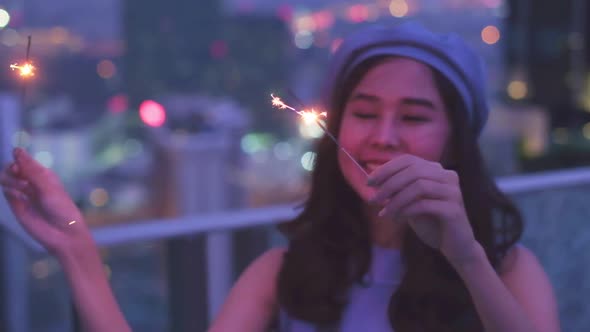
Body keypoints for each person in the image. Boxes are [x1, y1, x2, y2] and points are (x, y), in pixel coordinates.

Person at [0, 22, 560, 332]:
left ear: (454, 140)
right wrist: (75, 245)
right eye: (363, 113)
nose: (384, 135)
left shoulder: (506, 270)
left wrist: (466, 258)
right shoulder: (283, 270)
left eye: (413, 117)